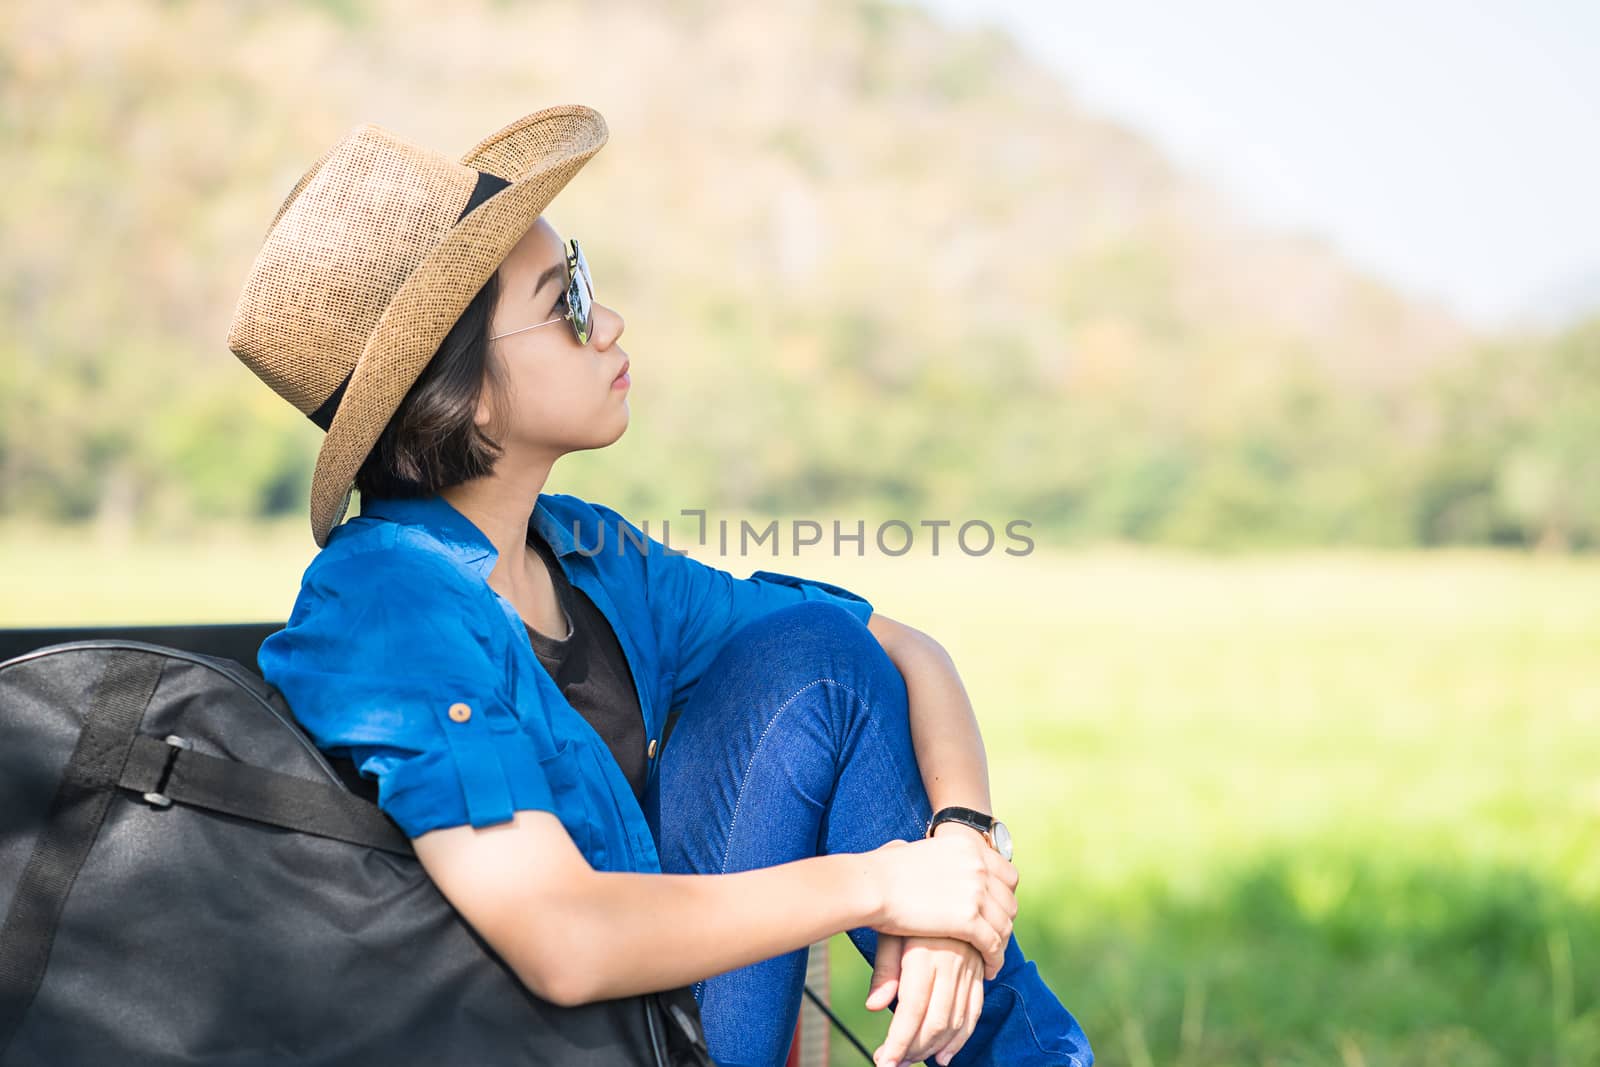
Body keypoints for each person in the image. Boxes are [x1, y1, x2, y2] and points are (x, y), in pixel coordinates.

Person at [227, 104, 1091, 1067]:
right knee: (819, 668)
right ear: (462, 387)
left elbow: (900, 651)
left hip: (662, 1017)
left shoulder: (589, 555)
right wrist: (887, 883)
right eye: (566, 299)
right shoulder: (386, 607)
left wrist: (958, 858)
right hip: (560, 1038)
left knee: (816, 655)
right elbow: (563, 939)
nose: (609, 321)